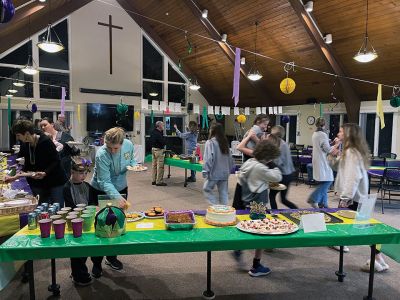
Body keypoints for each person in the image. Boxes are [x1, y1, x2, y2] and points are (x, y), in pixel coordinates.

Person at [329, 124, 389, 271]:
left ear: (348, 134)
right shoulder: (350, 151)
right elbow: (337, 167)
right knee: (364, 227)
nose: (338, 133)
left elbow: (353, 177)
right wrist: (333, 153)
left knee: (361, 228)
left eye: (341, 131)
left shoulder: (351, 153)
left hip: (354, 197)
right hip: (358, 197)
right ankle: (379, 259)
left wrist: (345, 198)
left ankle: (377, 259)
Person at [233, 140, 282, 277]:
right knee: (261, 235)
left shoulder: (248, 163)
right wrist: (272, 163)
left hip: (245, 202)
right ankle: (256, 266)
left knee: (245, 228)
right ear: (268, 157)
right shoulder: (260, 168)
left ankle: (238, 248)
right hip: (257, 204)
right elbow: (277, 176)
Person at [91, 127, 134, 273]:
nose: (112, 151)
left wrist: (135, 165)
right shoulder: (101, 154)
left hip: (121, 187)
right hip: (100, 190)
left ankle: (111, 257)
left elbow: (131, 159)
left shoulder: (129, 144)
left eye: (116, 148)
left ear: (122, 143)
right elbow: (104, 182)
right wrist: (117, 197)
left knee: (117, 224)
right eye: (109, 147)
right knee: (100, 226)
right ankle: (96, 262)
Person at [6, 119, 67, 205]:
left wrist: (45, 172)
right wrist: (13, 175)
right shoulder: (24, 144)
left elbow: (56, 161)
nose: (17, 138)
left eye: (18, 135)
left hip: (55, 181)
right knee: (41, 209)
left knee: (56, 208)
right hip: (37, 182)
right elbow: (23, 162)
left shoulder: (45, 141)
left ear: (27, 134)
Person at [64, 157, 97, 286]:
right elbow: (70, 206)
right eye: (80, 173)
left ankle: (80, 271)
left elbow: (93, 202)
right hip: (74, 221)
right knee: (77, 248)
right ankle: (78, 274)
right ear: (72, 172)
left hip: (87, 220)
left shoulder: (87, 186)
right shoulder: (67, 187)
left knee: (86, 247)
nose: (83, 176)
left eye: (85, 173)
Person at [202, 123, 234, 205]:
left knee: (207, 189)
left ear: (212, 131)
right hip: (225, 173)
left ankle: (216, 207)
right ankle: (224, 211)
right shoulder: (225, 143)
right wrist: (229, 170)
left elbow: (208, 158)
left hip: (215, 172)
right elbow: (230, 159)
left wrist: (205, 171)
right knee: (223, 193)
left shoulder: (210, 142)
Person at [268, 126, 298, 209]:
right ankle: (297, 211)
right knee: (283, 199)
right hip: (288, 174)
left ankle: (275, 214)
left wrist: (267, 159)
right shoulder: (282, 143)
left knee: (272, 196)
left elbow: (278, 162)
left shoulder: (280, 145)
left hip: (284, 175)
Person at [307, 118, 334, 208]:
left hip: (317, 160)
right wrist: (336, 145)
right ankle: (314, 198)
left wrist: (331, 143)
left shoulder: (315, 134)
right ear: (324, 125)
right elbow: (327, 149)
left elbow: (322, 145)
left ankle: (324, 204)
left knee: (323, 182)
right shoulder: (323, 134)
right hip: (322, 161)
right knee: (329, 180)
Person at [150, 121, 167, 186]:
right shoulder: (158, 133)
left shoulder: (153, 132)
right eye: (162, 125)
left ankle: (154, 180)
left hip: (153, 149)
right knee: (160, 166)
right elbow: (163, 142)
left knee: (154, 166)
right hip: (159, 151)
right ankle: (159, 181)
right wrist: (165, 138)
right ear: (159, 126)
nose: (163, 126)